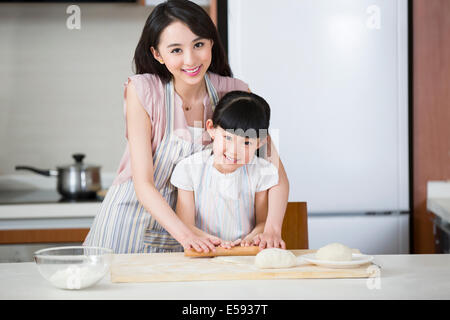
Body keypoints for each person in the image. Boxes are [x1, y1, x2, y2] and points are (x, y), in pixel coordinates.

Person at [83, 0, 289, 254]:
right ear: (157, 54)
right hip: (133, 223)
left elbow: (275, 172)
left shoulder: (235, 92)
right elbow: (143, 184)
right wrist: (185, 234)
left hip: (205, 233)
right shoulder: (143, 91)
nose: (190, 59)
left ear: (212, 42)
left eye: (199, 44)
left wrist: (271, 228)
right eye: (176, 50)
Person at [171, 91, 278, 249]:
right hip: (202, 252)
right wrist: (217, 243)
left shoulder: (261, 172)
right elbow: (185, 224)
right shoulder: (189, 169)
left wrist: (249, 240)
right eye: (227, 138)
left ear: (261, 143)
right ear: (211, 129)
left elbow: (262, 222)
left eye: (246, 143)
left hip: (245, 254)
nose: (234, 151)